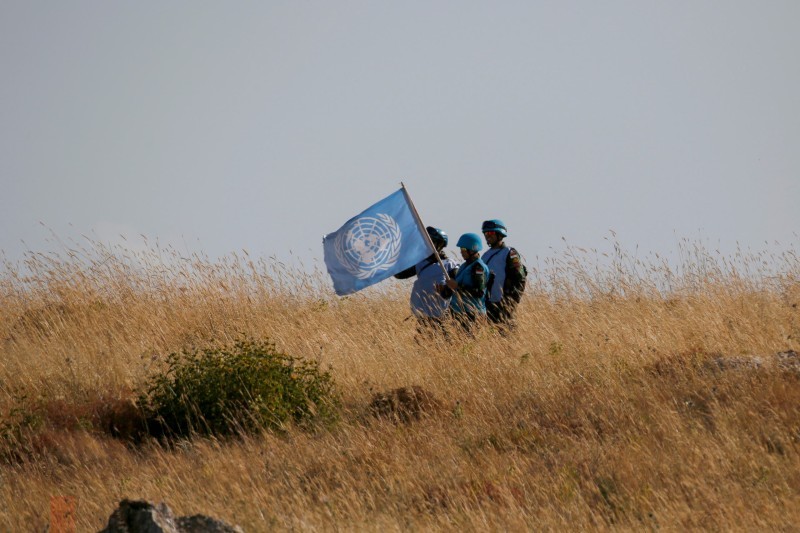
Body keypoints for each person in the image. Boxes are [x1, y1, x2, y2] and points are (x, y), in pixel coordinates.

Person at [394, 227, 458, 336]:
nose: (427, 245)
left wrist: (446, 290)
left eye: (431, 242)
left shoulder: (449, 264)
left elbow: (457, 287)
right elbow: (399, 275)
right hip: (422, 316)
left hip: (440, 316)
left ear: (440, 245)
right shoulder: (420, 263)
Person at [480, 219, 527, 332]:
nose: (487, 236)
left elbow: (520, 279)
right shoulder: (485, 255)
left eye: (490, 233)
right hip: (487, 305)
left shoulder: (510, 253)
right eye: (485, 233)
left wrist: (511, 302)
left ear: (500, 234)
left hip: (503, 306)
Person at [438, 233, 489, 333]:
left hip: (472, 315)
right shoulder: (465, 266)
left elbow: (479, 292)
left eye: (464, 250)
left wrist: (457, 286)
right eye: (461, 249)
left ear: (473, 249)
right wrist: (445, 289)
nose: (461, 252)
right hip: (459, 313)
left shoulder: (478, 267)